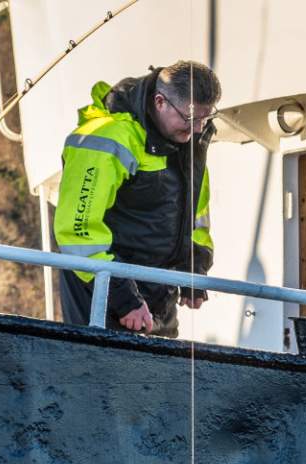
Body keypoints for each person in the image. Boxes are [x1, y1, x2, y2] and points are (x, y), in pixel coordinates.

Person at [53, 60, 217, 338]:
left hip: (159, 292)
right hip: (104, 294)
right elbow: (76, 231)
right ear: (160, 101)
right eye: (190, 118)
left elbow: (197, 213)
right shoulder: (107, 138)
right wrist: (124, 299)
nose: (198, 128)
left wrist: (194, 266)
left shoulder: (188, 140)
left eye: (206, 118)